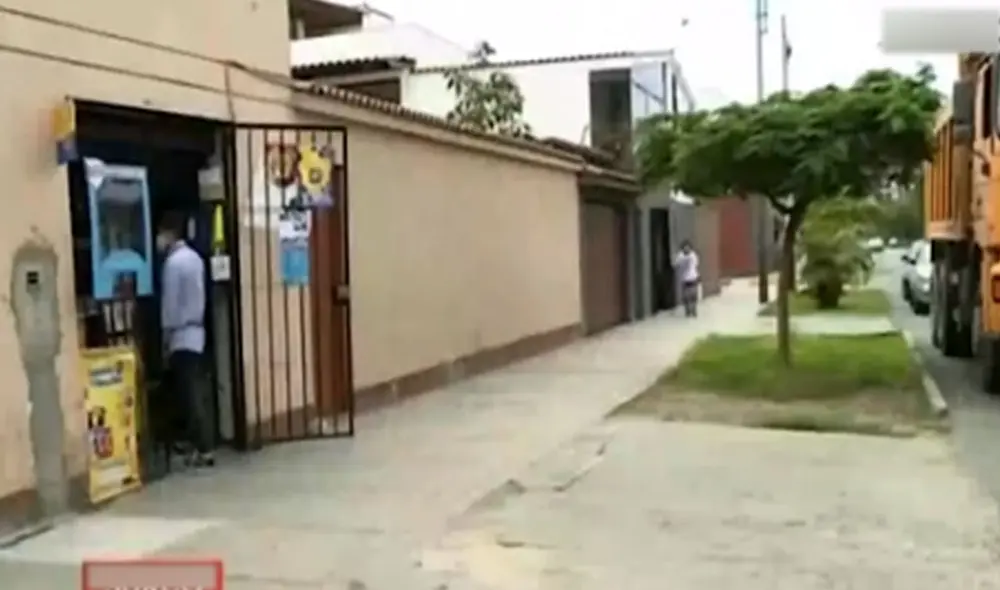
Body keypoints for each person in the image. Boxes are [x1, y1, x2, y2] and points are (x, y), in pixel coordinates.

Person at [157, 211, 213, 467]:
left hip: (180, 335)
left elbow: (169, 306)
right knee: (195, 391)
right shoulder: (195, 259)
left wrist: (165, 339)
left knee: (187, 395)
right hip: (197, 333)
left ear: (169, 234)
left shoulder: (173, 264)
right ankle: (197, 445)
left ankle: (201, 447)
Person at [674, 240, 700, 317]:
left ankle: (694, 310)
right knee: (685, 296)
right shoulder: (680, 256)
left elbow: (696, 264)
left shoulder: (693, 255)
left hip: (693, 277)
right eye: (685, 248)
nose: (686, 249)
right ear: (683, 248)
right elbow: (676, 264)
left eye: (688, 248)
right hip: (684, 279)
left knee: (693, 295)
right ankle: (687, 310)